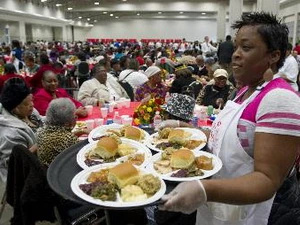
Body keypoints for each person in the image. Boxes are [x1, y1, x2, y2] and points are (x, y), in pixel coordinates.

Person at [159, 12, 300, 225]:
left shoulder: (279, 99)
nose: (235, 54)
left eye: (246, 47)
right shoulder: (245, 92)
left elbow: (267, 180)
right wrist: (184, 127)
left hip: (255, 213)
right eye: (236, 47)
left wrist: (205, 189)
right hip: (226, 203)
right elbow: (224, 140)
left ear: (273, 55)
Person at [0, 78, 37, 180]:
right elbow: (15, 164)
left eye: (32, 99)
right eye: (26, 103)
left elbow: (42, 119)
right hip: (26, 177)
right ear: (15, 108)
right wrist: (42, 142)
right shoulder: (10, 134)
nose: (32, 105)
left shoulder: (26, 111)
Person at [37, 98, 79, 167]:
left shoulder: (41, 131)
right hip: (62, 174)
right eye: (75, 117)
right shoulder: (68, 139)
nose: (76, 119)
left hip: (47, 171)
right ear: (67, 123)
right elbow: (82, 157)